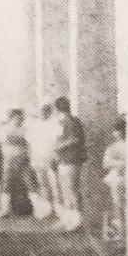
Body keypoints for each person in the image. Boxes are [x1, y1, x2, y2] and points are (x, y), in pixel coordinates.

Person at [51, 96, 87, 231]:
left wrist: (58, 147)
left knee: (72, 189)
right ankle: (67, 218)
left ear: (57, 108)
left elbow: (75, 139)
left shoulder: (70, 121)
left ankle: (77, 220)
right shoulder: (63, 121)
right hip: (64, 159)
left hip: (72, 159)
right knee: (66, 190)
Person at [0, 109, 34, 218]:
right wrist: (20, 140)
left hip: (23, 159)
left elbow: (28, 141)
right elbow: (5, 140)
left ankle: (38, 209)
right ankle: (4, 209)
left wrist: (18, 140)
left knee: (29, 182)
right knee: (6, 184)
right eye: (17, 117)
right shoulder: (5, 128)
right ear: (12, 118)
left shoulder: (25, 128)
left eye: (21, 117)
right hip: (9, 159)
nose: (19, 119)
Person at [101, 117, 128, 241]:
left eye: (121, 130)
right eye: (116, 130)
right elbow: (106, 163)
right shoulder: (113, 147)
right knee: (117, 205)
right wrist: (119, 164)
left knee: (123, 205)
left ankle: (124, 231)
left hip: (127, 178)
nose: (119, 133)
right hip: (116, 178)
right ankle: (119, 231)